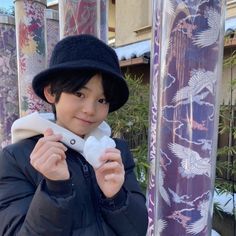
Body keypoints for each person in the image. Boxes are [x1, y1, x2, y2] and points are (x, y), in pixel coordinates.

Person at [0, 34, 148, 235]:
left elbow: (137, 230)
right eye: (79, 94)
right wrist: (56, 189)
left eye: (102, 100)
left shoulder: (115, 151)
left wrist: (116, 199)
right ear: (51, 92)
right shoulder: (16, 158)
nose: (90, 109)